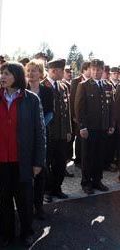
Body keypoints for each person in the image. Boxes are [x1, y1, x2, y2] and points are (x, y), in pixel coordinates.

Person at [0, 62, 46, 248]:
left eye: (7, 74)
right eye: (1, 73)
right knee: (3, 201)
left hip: (23, 160)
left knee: (25, 200)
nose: (2, 77)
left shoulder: (31, 100)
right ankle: (6, 233)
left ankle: (27, 232)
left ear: (17, 76)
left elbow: (40, 132)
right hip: (2, 160)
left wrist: (38, 161)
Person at [75, 59, 114, 194]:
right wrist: (82, 127)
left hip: (103, 127)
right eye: (94, 69)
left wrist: (111, 124)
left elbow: (111, 107)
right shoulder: (83, 85)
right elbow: (79, 108)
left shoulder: (107, 85)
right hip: (89, 128)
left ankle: (97, 181)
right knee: (88, 157)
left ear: (103, 71)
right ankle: (86, 183)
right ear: (90, 70)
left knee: (99, 156)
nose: (96, 72)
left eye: (99, 70)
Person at [26, 59, 54, 220]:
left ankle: (39, 207)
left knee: (41, 172)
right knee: (26, 174)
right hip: (24, 137)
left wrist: (39, 126)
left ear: (41, 72)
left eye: (34, 70)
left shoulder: (47, 91)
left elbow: (51, 112)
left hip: (42, 137)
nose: (31, 73)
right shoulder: (21, 89)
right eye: (28, 70)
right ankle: (27, 206)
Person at [41, 59, 72, 202]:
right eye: (61, 70)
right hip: (48, 133)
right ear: (53, 71)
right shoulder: (42, 86)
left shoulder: (63, 86)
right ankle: (47, 190)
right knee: (46, 164)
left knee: (60, 163)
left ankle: (57, 188)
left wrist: (68, 130)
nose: (64, 73)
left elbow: (67, 112)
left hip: (60, 133)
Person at [70, 61, 91, 167]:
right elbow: (73, 99)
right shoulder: (76, 81)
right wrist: (74, 115)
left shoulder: (92, 82)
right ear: (84, 70)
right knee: (79, 137)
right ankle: (78, 159)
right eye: (90, 69)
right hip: (78, 116)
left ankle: (86, 159)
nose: (92, 71)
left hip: (90, 116)